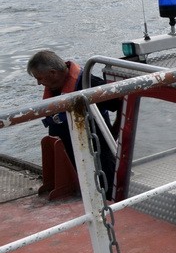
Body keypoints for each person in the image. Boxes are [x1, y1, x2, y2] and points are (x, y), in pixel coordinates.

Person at [27, 50, 118, 198]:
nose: (38, 83)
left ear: (53, 73)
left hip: (97, 152)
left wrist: (114, 132)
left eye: (40, 78)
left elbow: (121, 102)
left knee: (105, 190)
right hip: (70, 154)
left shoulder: (90, 84)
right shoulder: (54, 87)